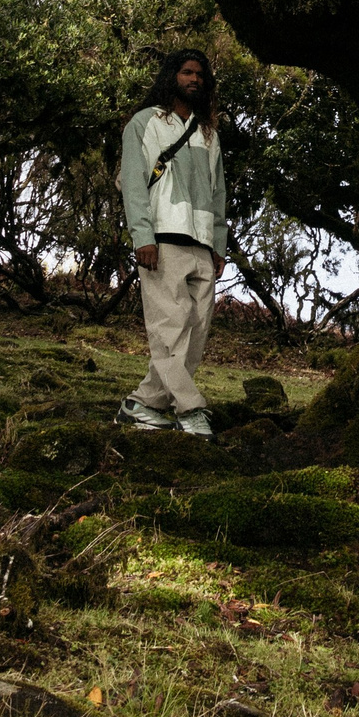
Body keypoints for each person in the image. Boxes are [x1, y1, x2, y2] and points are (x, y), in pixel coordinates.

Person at [116, 49, 229, 438]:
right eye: (186, 72)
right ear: (171, 76)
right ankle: (191, 409)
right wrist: (142, 236)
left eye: (200, 74)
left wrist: (218, 245)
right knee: (169, 328)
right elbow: (133, 183)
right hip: (162, 240)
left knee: (194, 333)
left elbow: (218, 195)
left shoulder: (207, 133)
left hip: (202, 245)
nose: (194, 79)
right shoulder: (144, 123)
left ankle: (142, 404)